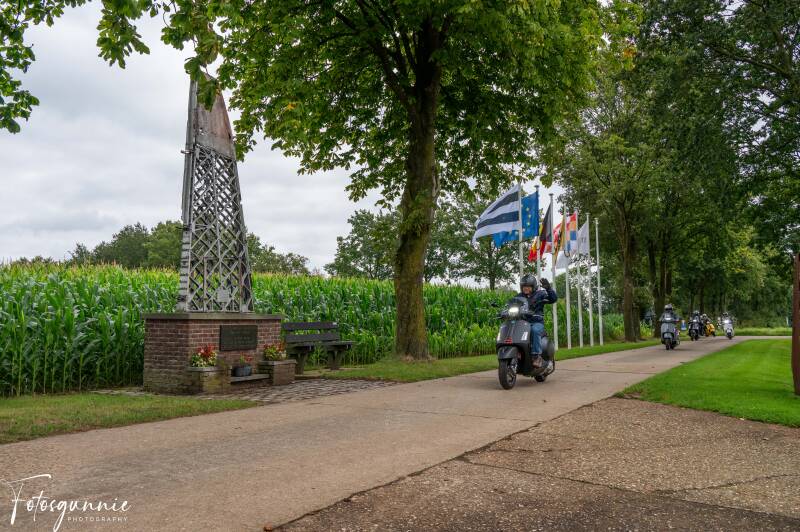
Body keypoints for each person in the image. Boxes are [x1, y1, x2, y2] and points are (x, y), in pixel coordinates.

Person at [517, 274, 558, 368]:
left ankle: (536, 357)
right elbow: (510, 305)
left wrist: (549, 289)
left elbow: (553, 299)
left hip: (536, 322)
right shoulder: (519, 297)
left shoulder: (540, 294)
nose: (525, 288)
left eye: (528, 286)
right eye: (524, 286)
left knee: (535, 330)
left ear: (533, 286)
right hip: (522, 323)